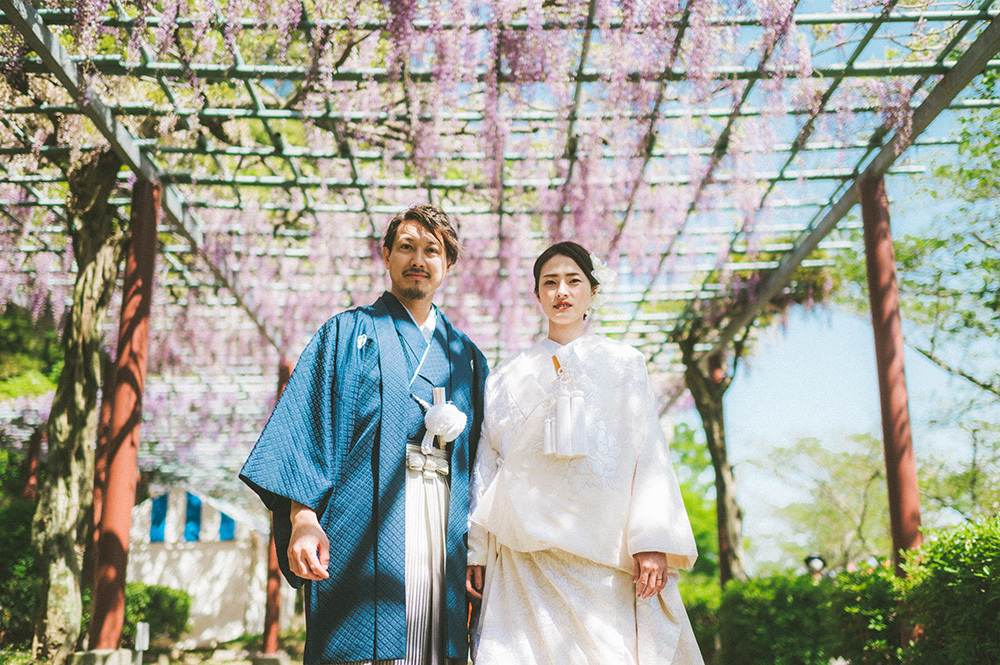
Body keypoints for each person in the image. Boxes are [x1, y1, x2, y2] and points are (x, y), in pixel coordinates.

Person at [240, 204, 488, 665]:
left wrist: (482, 546)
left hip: (443, 529)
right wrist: (303, 519)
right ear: (387, 255)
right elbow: (311, 426)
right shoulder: (345, 334)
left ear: (448, 264)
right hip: (363, 527)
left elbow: (485, 465)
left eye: (432, 250)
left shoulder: (467, 358)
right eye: (406, 247)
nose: (418, 259)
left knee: (433, 644)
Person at [465, 241, 703, 665]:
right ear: (537, 295)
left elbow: (648, 453)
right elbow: (488, 462)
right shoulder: (505, 376)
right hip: (525, 556)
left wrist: (651, 542)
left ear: (593, 291)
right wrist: (478, 550)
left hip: (601, 550)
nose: (562, 291)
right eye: (550, 282)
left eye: (574, 281)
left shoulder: (623, 363)